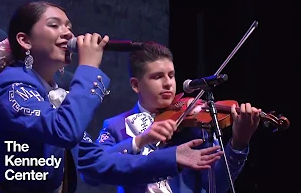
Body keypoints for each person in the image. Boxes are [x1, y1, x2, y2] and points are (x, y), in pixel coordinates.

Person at [0, 1, 223, 193]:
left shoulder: (53, 95)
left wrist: (171, 157)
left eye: (69, 27)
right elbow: (63, 131)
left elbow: (94, 160)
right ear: (25, 41)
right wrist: (88, 68)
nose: (68, 34)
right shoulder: (12, 85)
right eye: (55, 26)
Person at [90, 41, 261, 193]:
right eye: (157, 77)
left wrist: (239, 143)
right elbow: (94, 170)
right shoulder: (116, 126)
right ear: (136, 85)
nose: (168, 83)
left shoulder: (195, 126)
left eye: (171, 75)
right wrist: (139, 141)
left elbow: (215, 186)